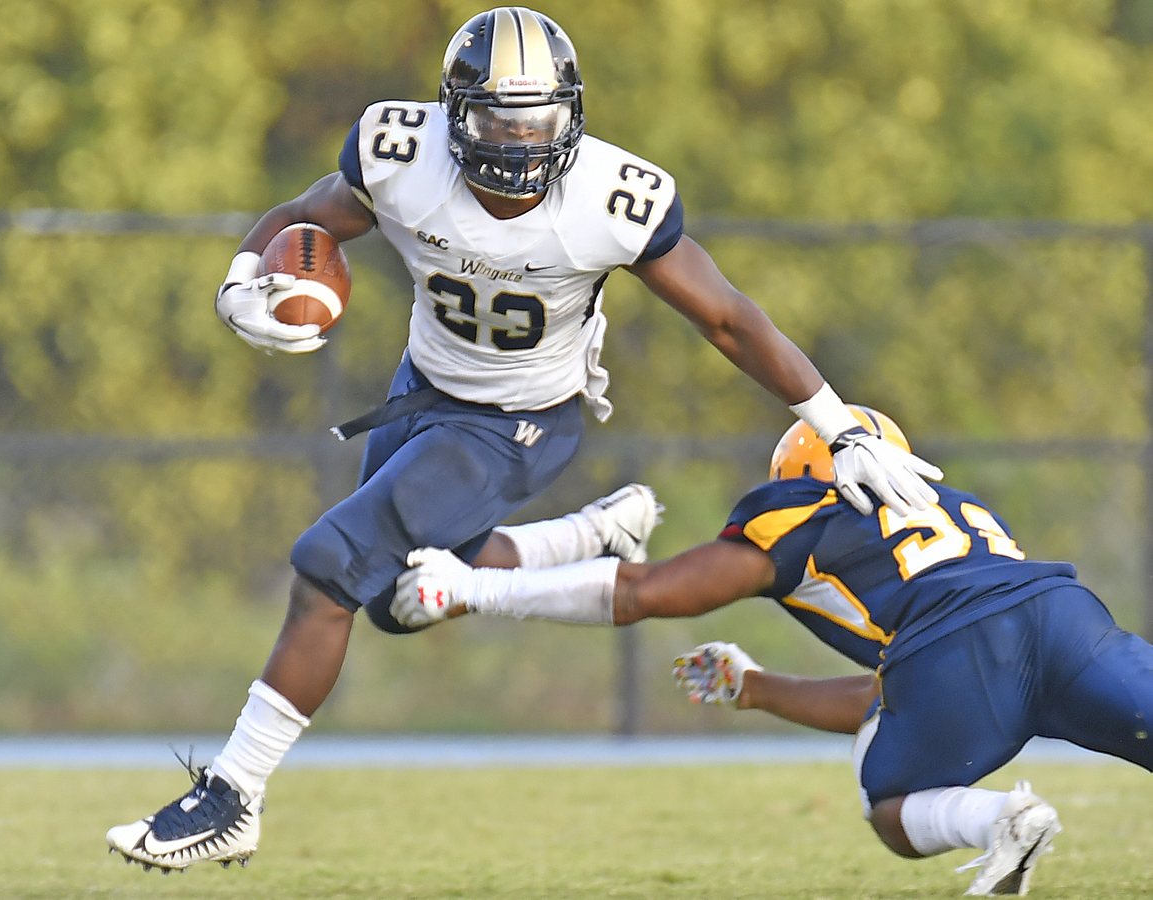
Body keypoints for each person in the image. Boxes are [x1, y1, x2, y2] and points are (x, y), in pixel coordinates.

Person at [106, 7, 942, 872]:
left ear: (569, 112)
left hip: (521, 424)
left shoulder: (612, 200)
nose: (516, 141)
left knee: (329, 564)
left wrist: (837, 427)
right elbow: (302, 216)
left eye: (536, 118)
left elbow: (729, 320)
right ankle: (589, 536)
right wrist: (244, 279)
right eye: (497, 119)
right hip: (421, 394)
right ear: (452, 112)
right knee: (399, 602)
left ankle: (232, 795)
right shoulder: (400, 154)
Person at [392, 406, 1153, 896]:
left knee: (887, 805)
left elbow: (643, 591)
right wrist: (755, 688)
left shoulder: (808, 515)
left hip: (956, 657)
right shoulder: (956, 512)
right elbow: (897, 696)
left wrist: (476, 589)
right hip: (1064, 617)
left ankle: (998, 822)